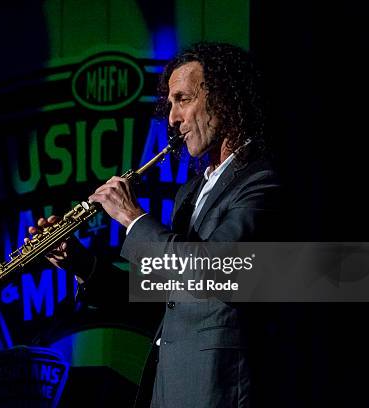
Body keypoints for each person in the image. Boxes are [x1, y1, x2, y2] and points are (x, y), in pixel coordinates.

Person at [28, 42, 282, 407]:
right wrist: (81, 264)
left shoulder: (261, 181)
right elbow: (164, 298)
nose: (172, 119)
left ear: (224, 99)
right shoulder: (191, 192)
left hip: (218, 389)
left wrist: (133, 218)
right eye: (170, 104)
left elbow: (220, 273)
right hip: (169, 388)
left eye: (183, 100)